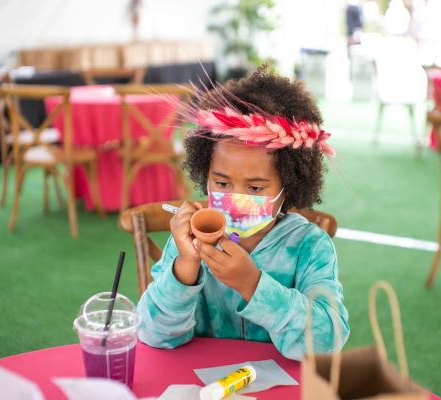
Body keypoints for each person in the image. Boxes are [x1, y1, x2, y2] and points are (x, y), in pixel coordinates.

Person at [137, 66, 350, 361]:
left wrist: (252, 284)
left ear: (288, 186)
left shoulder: (309, 247)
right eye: (222, 183)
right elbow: (152, 333)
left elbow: (328, 342)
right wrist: (185, 265)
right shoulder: (189, 242)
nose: (235, 199)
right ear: (205, 174)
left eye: (255, 188)